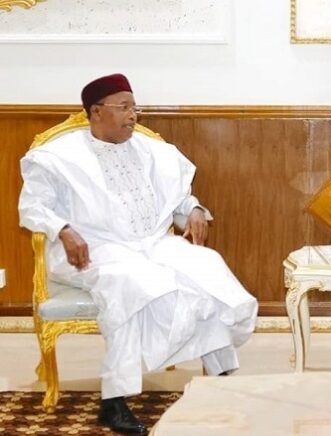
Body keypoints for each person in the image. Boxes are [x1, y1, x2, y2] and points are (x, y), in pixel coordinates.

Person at [18, 74, 258, 435]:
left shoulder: (153, 151)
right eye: (124, 107)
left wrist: (194, 210)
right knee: (130, 286)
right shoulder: (56, 157)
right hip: (93, 249)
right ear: (96, 112)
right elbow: (33, 208)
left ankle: (220, 376)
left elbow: (179, 198)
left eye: (135, 107)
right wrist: (64, 230)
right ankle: (114, 401)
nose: (133, 115)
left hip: (152, 244)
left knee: (206, 270)